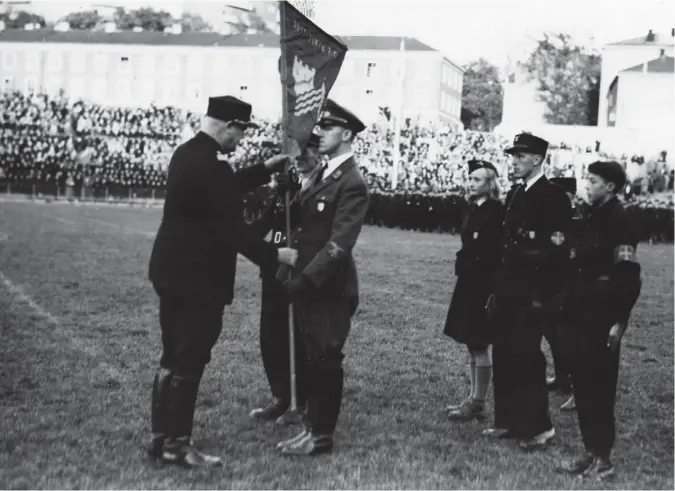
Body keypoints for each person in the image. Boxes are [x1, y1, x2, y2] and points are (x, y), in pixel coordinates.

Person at [147, 95, 298, 468]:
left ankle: (161, 435)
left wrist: (264, 168)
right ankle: (178, 445)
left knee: (171, 356)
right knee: (191, 360)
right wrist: (273, 255)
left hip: (170, 272)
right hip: (199, 280)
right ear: (230, 125)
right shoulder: (211, 166)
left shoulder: (188, 153)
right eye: (241, 131)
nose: (241, 139)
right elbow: (231, 227)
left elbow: (224, 185)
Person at [275, 100, 370, 456]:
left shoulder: (351, 181)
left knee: (327, 358)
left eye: (328, 128)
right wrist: (288, 190)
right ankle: (313, 428)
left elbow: (339, 244)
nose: (321, 134)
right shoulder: (325, 173)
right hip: (313, 284)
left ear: (346, 134)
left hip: (329, 287)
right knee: (314, 357)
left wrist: (306, 279)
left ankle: (321, 435)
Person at [484, 133, 572, 451]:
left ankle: (540, 428)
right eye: (513, 156)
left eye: (520, 156)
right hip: (509, 289)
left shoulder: (554, 197)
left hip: (533, 293)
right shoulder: (516, 194)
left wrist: (541, 296)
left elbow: (556, 250)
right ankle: (508, 420)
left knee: (527, 358)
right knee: (505, 355)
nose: (515, 161)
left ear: (537, 159)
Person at [557, 161, 642, 480]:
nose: (587, 185)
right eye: (587, 179)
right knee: (583, 383)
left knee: (599, 387)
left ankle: (603, 458)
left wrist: (619, 321)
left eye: (593, 180)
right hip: (579, 309)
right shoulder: (590, 216)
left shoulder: (620, 221)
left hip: (602, 315)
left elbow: (629, 275)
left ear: (610, 186)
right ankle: (590, 451)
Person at [248, 134, 322, 424]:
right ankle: (281, 396)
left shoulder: (322, 185)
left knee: (300, 338)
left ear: (319, 152)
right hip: (274, 270)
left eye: (307, 150)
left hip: (301, 271)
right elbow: (265, 223)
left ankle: (301, 400)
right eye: (297, 152)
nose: (301, 156)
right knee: (272, 337)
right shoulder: (285, 186)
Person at [444, 159, 504, 422]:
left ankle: (478, 402)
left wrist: (494, 290)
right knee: (471, 341)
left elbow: (497, 253)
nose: (471, 183)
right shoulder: (474, 208)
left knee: (479, 343)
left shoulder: (496, 211)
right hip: (469, 281)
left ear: (490, 184)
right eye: (470, 178)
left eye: (477, 179)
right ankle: (473, 398)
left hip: (484, 284)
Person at [544, 177, 577, 398]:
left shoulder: (577, 217)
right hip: (552, 282)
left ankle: (574, 382)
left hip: (570, 283)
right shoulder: (555, 217)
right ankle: (561, 376)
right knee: (552, 331)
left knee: (566, 334)